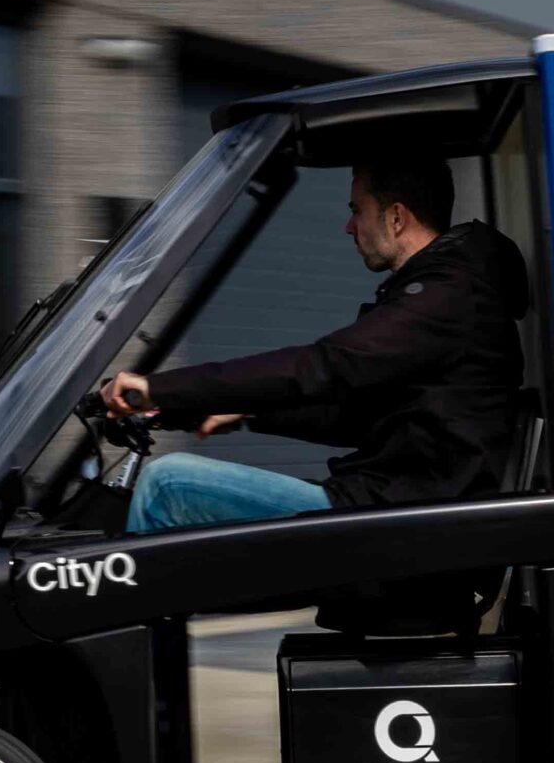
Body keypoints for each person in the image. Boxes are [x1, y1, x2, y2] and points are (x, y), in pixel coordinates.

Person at [100, 158, 529, 535]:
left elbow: (325, 366)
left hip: (401, 523)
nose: (348, 226)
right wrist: (248, 411)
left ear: (396, 217)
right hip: (395, 510)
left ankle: (144, 631)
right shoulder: (447, 292)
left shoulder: (446, 297)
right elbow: (356, 414)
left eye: (356, 210)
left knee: (167, 486)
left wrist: (157, 388)